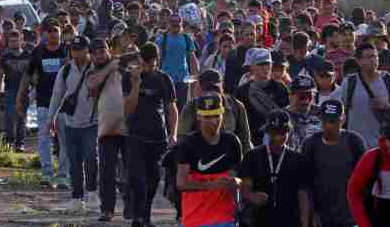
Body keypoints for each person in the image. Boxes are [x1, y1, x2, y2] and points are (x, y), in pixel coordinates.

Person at [122, 42, 178, 227]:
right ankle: (137, 215)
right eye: (145, 64)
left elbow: (171, 108)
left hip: (157, 135)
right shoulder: (129, 77)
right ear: (139, 59)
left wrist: (173, 133)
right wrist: (136, 85)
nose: (149, 67)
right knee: (136, 178)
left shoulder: (164, 79)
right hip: (135, 134)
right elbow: (127, 109)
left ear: (157, 60)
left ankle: (144, 215)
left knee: (153, 179)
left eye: (152, 64)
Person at [176, 93, 243, 227]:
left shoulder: (232, 141)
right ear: (199, 117)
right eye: (208, 116)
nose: (213, 121)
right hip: (195, 219)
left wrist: (236, 182)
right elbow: (181, 183)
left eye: (216, 115)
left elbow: (239, 177)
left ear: (223, 114)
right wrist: (211, 185)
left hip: (226, 218)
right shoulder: (188, 143)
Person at [49, 35, 98, 211]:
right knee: (75, 162)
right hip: (70, 123)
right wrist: (50, 119)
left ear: (88, 49)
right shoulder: (66, 70)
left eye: (81, 50)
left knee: (92, 158)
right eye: (74, 50)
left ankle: (92, 193)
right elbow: (57, 95)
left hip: (93, 122)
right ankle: (77, 198)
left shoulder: (97, 68)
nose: (77, 54)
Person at [239, 109, 312, 227]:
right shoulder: (252, 156)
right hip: (258, 220)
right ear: (267, 132)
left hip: (290, 221)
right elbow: (243, 189)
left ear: (289, 132)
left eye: (282, 132)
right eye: (274, 133)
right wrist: (252, 196)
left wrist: (305, 223)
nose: (278, 137)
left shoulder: (298, 159)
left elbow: (302, 194)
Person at [19, 22, 70, 188]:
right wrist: (21, 96)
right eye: (50, 31)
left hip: (65, 103)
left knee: (64, 140)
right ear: (45, 34)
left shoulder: (68, 50)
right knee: (44, 138)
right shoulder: (38, 51)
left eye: (56, 31)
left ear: (61, 33)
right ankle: (46, 172)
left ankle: (63, 175)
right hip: (43, 100)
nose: (53, 34)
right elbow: (27, 75)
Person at [301, 99, 366, 227]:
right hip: (321, 217)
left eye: (333, 121)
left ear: (343, 119)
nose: (329, 126)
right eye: (325, 121)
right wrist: (310, 215)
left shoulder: (355, 142)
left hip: (350, 217)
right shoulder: (310, 144)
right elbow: (305, 185)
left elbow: (364, 182)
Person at [332, 43, 390, 148]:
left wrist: (386, 106)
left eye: (375, 56)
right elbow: (337, 110)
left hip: (382, 144)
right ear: (358, 61)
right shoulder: (350, 82)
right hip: (355, 145)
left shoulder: (387, 79)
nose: (374, 60)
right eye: (369, 57)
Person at [86, 39, 126, 221]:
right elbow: (92, 84)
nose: (101, 55)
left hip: (128, 127)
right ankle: (107, 209)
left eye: (103, 51)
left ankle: (132, 207)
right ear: (91, 55)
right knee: (107, 171)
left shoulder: (123, 65)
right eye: (96, 53)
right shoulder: (93, 72)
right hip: (107, 129)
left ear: (108, 50)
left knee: (131, 170)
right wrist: (111, 67)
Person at [234, 48, 290, 146]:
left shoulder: (281, 89)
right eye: (260, 64)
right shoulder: (241, 91)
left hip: (277, 140)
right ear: (252, 66)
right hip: (251, 141)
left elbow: (287, 116)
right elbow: (238, 121)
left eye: (267, 64)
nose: (265, 68)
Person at [156, 13, 199, 109]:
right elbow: (157, 59)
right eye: (172, 22)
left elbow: (193, 59)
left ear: (181, 23)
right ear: (169, 24)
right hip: (166, 79)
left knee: (182, 108)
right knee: (167, 108)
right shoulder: (162, 39)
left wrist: (194, 80)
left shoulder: (187, 38)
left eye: (177, 22)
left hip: (183, 79)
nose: (175, 24)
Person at [0, 29, 32, 152]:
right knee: (8, 116)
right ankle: (9, 141)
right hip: (9, 90)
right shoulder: (5, 57)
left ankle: (20, 143)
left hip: (24, 91)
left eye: (15, 41)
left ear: (21, 41)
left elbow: (33, 74)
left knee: (21, 117)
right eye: (11, 41)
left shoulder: (28, 56)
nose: (13, 43)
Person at [285, 74, 322, 151]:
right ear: (291, 95)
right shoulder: (281, 117)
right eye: (301, 96)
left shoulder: (321, 113)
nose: (306, 100)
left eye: (310, 96)